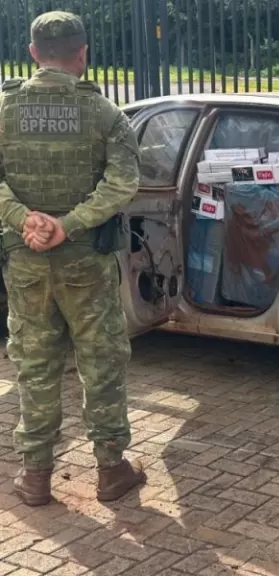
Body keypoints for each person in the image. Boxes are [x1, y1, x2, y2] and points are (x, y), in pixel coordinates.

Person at [0, 10, 145, 506]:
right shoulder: (104, 113)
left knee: (35, 365)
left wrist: (24, 218)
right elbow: (123, 183)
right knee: (100, 361)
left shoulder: (3, 109)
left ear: (34, 53)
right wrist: (71, 224)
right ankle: (111, 471)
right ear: (83, 54)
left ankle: (36, 475)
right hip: (85, 260)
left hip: (26, 260)